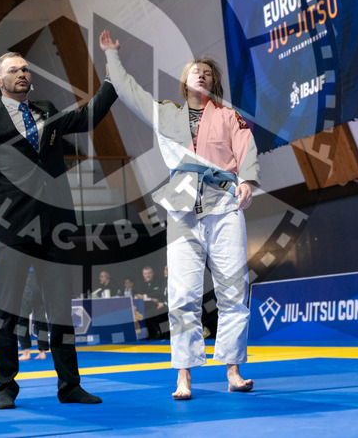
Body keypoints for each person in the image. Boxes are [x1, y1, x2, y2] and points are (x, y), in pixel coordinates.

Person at [0, 51, 117, 410]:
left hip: (56, 226)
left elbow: (86, 118)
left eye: (24, 68)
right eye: (13, 70)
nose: (21, 73)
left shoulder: (47, 109)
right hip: (11, 226)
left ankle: (70, 385)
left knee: (60, 312)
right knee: (7, 311)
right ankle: (5, 388)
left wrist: (114, 82)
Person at [100, 30, 258, 400]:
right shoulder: (165, 114)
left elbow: (247, 149)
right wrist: (111, 55)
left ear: (213, 82)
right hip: (183, 207)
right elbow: (128, 88)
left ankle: (233, 370)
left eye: (206, 72)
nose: (200, 74)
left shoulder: (229, 116)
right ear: (184, 81)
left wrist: (248, 180)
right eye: (194, 71)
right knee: (183, 294)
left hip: (224, 204)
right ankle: (184, 376)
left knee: (234, 290)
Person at [17, 267, 49, 361]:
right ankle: (42, 352)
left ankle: (26, 352)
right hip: (42, 280)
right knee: (41, 319)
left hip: (28, 279)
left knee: (22, 319)